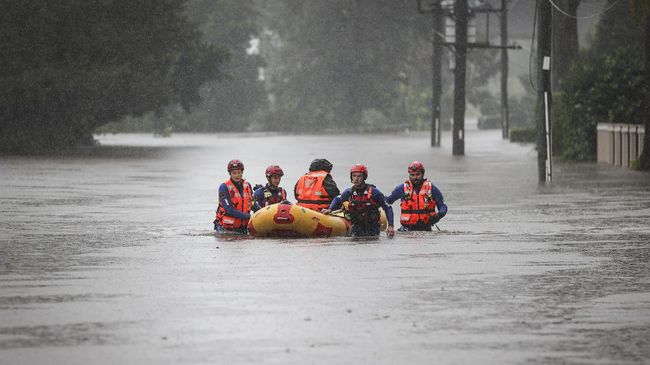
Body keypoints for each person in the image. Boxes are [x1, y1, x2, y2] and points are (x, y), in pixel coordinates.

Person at [322, 164, 395, 238]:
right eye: (354, 176)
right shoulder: (349, 192)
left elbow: (388, 208)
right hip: (356, 230)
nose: (356, 179)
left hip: (373, 231)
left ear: (364, 177)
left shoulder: (374, 192)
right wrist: (330, 209)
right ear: (351, 177)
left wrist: (391, 226)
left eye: (359, 176)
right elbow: (337, 199)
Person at [386, 161, 447, 231]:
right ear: (409, 175)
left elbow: (443, 207)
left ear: (422, 174)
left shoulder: (431, 188)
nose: (415, 177)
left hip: (426, 229)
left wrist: (438, 215)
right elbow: (387, 201)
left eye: (418, 174)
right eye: (412, 175)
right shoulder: (402, 188)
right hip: (406, 231)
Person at [214, 159, 253, 234]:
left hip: (243, 227)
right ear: (230, 173)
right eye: (234, 173)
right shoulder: (224, 187)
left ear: (242, 172)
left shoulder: (247, 186)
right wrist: (248, 217)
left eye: (239, 173)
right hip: (224, 228)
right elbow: (229, 209)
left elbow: (253, 203)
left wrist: (263, 212)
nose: (237, 175)